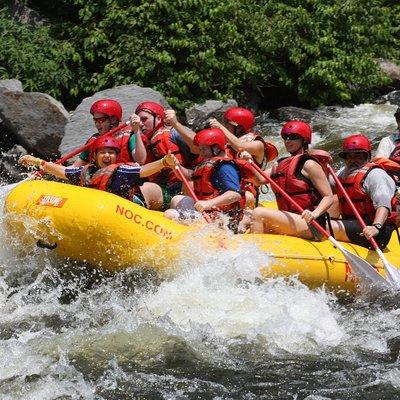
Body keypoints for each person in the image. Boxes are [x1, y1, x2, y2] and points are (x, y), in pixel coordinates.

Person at [19, 136, 179, 210]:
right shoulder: (85, 172)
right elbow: (62, 171)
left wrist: (164, 162)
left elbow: (144, 171)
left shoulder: (121, 171)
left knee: (165, 197)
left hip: (134, 205)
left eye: (111, 152)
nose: (107, 156)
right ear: (94, 157)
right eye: (102, 152)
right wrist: (38, 162)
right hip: (100, 209)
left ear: (116, 156)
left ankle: (176, 201)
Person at [250, 121, 334, 240]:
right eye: (285, 137)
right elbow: (259, 180)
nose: (287, 140)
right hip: (291, 219)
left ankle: (256, 253)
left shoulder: (309, 164)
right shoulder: (280, 165)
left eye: (293, 137)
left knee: (258, 213)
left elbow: (328, 196)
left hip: (312, 224)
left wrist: (314, 214)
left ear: (304, 140)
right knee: (247, 219)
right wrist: (249, 162)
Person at [164, 128, 257, 230]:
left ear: (216, 147)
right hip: (208, 211)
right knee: (176, 199)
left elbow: (235, 194)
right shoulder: (208, 163)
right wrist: (175, 165)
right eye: (200, 149)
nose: (201, 153)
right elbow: (188, 176)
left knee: (169, 214)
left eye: (204, 149)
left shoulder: (225, 167)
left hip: (222, 218)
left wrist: (208, 204)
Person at [328, 134, 397, 249]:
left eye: (358, 156)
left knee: (324, 226)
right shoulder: (344, 172)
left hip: (373, 230)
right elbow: (325, 185)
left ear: (367, 156)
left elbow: (383, 205)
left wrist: (376, 227)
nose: (353, 160)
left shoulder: (376, 175)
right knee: (333, 200)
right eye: (349, 156)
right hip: (352, 224)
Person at [209, 107, 278, 209]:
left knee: (247, 196)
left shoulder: (258, 144)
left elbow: (240, 146)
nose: (224, 126)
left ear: (240, 128)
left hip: (246, 194)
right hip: (225, 189)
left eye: (227, 123)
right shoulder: (226, 144)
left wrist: (219, 127)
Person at [135, 101, 193, 208]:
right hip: (165, 190)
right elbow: (140, 162)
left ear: (158, 118)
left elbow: (199, 146)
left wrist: (176, 124)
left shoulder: (173, 133)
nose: (141, 124)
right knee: (143, 188)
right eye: (139, 121)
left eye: (144, 119)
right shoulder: (141, 144)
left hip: (185, 187)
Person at [74, 99, 147, 166]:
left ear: (113, 119)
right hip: (99, 178)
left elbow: (141, 160)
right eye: (95, 120)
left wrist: (136, 130)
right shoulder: (93, 140)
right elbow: (75, 167)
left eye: (101, 120)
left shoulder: (129, 136)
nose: (97, 124)